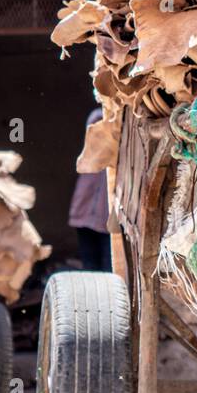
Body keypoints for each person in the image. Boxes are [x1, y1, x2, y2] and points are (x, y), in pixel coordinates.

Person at [68, 107, 112, 271]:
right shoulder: (97, 117)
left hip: (107, 219)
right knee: (91, 266)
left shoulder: (121, 152)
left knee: (110, 267)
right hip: (84, 214)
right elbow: (95, 121)